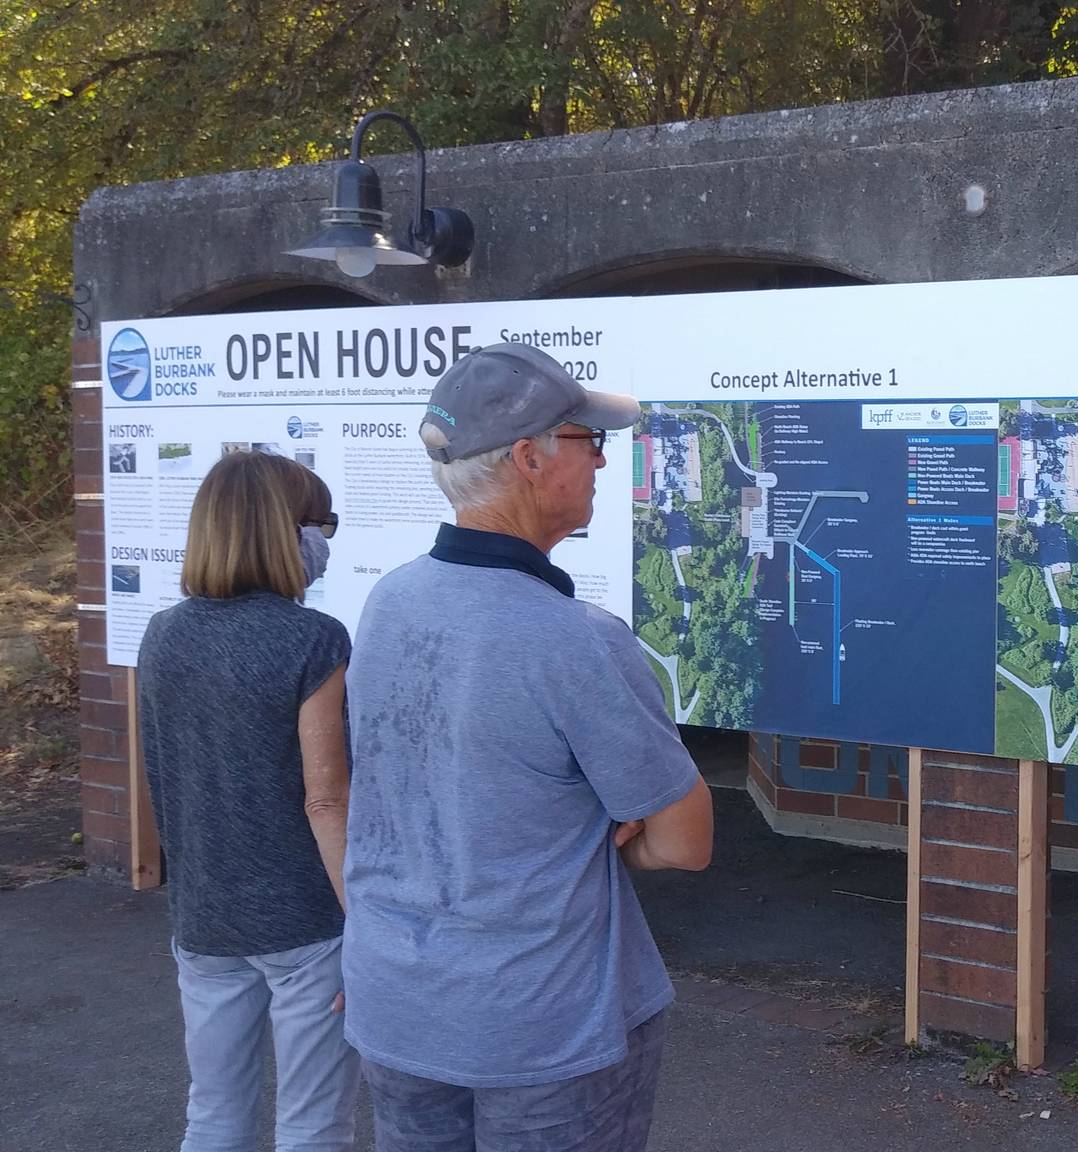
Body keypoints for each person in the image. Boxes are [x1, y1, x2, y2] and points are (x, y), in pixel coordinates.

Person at [343, 342, 713, 1152]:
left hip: (395, 996)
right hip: (542, 1022)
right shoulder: (574, 637)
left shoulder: (388, 601)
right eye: (589, 442)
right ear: (528, 458)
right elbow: (684, 841)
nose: (602, 465)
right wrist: (612, 846)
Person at [136, 450, 355, 1152]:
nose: (325, 541)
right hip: (306, 921)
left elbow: (165, 768)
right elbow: (328, 800)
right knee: (312, 1124)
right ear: (286, 533)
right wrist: (370, 923)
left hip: (203, 917)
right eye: (321, 524)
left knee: (213, 1113)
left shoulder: (162, 633)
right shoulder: (315, 640)